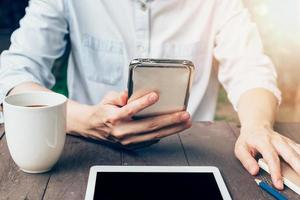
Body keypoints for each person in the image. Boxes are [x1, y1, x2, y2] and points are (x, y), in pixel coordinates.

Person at [0, 0, 298, 190]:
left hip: (193, 162)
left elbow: (250, 67)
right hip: (86, 158)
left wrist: (257, 126)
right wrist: (81, 119)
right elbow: (13, 71)